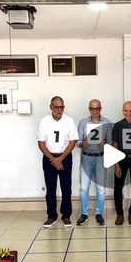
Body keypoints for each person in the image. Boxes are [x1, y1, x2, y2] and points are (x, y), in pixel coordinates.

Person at [37, 96, 78, 227]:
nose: (59, 110)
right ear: (51, 107)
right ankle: (51, 216)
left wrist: (60, 159)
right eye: (56, 107)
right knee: (50, 189)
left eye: (61, 107)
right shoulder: (44, 121)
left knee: (66, 189)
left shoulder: (69, 121)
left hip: (65, 158)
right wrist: (53, 159)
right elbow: (41, 144)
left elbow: (72, 142)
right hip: (49, 158)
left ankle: (66, 215)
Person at [76, 99, 112, 226]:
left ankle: (99, 213)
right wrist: (82, 143)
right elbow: (77, 142)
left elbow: (111, 143)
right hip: (86, 157)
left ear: (100, 109)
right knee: (83, 188)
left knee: (101, 189)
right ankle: (84, 213)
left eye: (97, 108)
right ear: (89, 109)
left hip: (101, 157)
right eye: (92, 108)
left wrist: (105, 145)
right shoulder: (83, 122)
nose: (95, 111)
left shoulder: (107, 123)